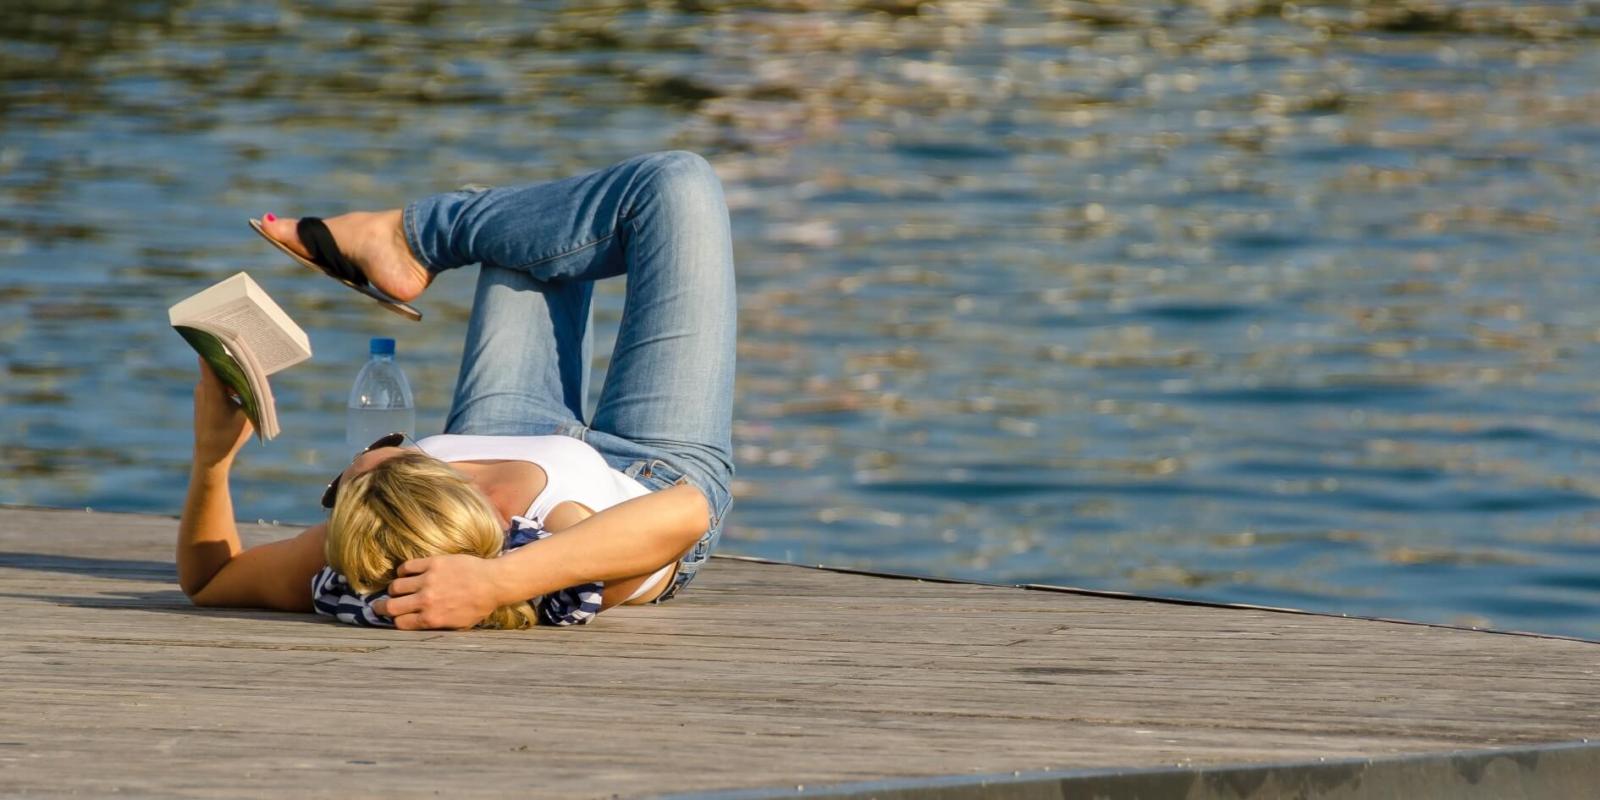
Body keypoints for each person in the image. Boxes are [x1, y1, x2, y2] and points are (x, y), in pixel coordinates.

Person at [175, 151, 737, 630]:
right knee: (676, 184)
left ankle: (406, 243)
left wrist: (213, 459)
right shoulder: (552, 548)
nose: (347, 474)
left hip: (498, 428)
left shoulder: (364, 544)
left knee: (529, 231)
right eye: (351, 476)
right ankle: (415, 237)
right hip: (652, 467)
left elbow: (212, 579)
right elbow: (685, 513)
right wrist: (496, 582)